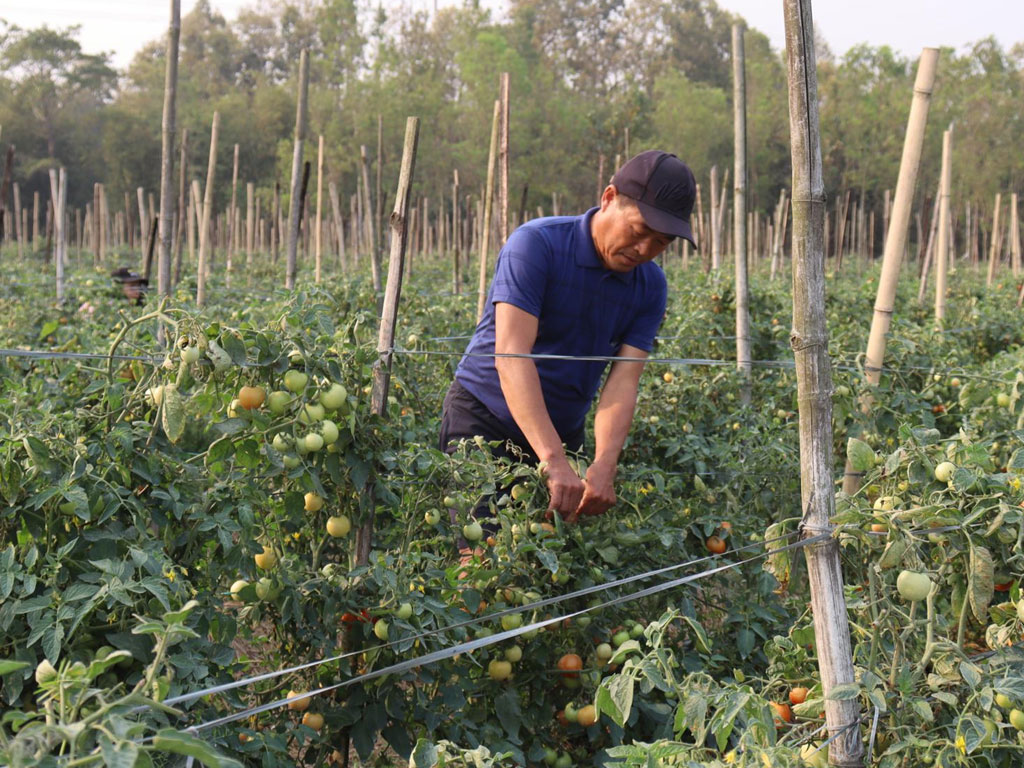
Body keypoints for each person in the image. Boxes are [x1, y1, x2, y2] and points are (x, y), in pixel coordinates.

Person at [439, 150, 697, 523]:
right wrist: (553, 460)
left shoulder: (650, 285)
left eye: (661, 243)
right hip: (483, 423)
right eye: (639, 231)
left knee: (547, 569)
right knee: (479, 559)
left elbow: (623, 382)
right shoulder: (537, 245)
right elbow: (511, 354)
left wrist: (604, 463)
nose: (645, 250)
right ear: (608, 198)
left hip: (562, 434)